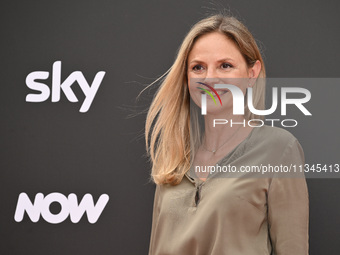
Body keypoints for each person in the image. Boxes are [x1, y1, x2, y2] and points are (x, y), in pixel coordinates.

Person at [145, 14, 309, 255]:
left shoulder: (279, 149)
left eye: (225, 65)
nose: (210, 78)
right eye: (198, 67)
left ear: (252, 74)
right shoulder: (175, 156)